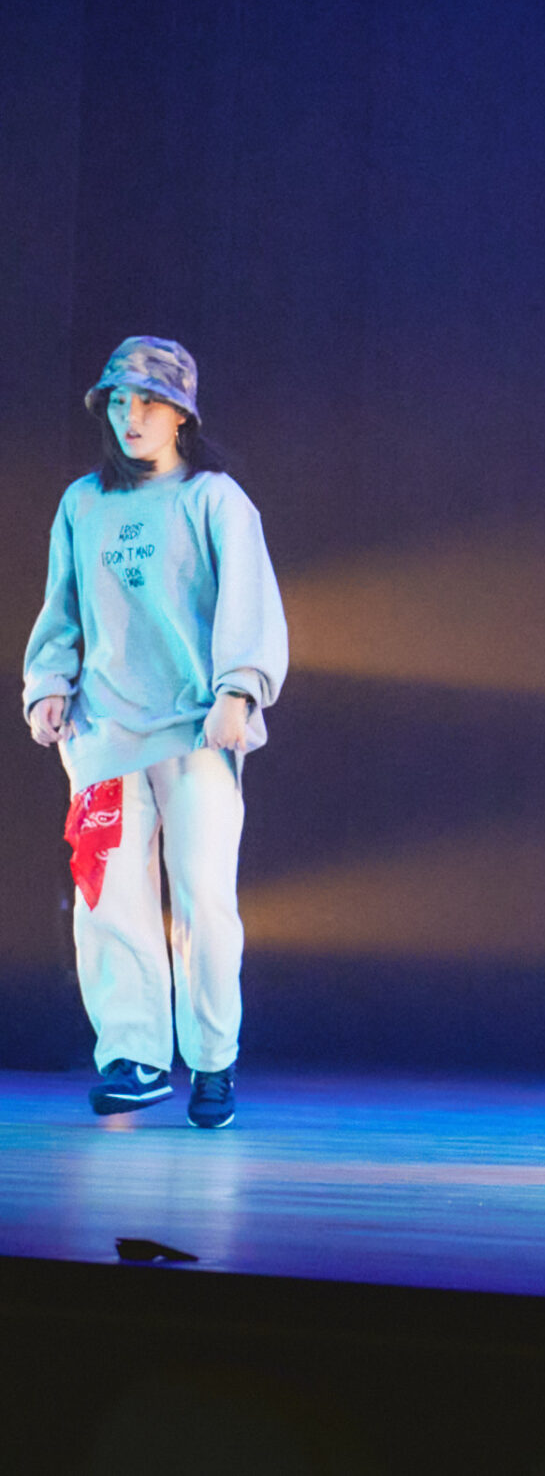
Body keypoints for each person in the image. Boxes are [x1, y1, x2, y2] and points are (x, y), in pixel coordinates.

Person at [22, 336, 288, 1129]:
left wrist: (239, 689)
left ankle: (212, 1061)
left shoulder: (215, 499)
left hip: (195, 731)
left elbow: (250, 600)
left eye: (147, 401)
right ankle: (134, 1056)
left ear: (181, 414)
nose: (130, 416)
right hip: (102, 732)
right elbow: (61, 604)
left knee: (204, 899)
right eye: (118, 401)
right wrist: (48, 685)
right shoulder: (83, 503)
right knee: (107, 898)